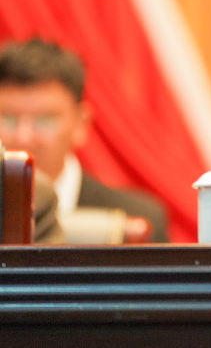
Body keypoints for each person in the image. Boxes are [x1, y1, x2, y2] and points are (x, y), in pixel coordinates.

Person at [0, 38, 169, 242]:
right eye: (8, 118)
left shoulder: (135, 217)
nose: (24, 137)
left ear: (81, 123)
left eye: (45, 120)